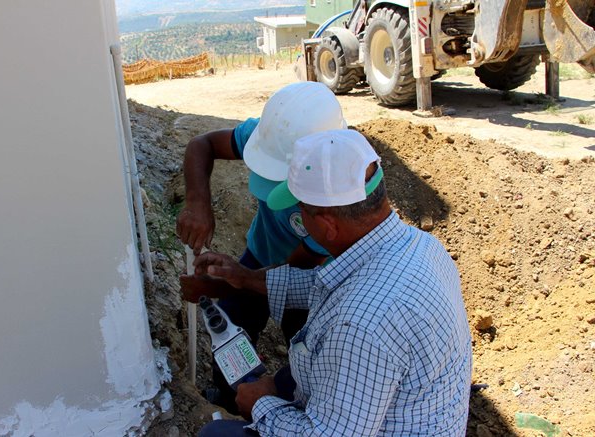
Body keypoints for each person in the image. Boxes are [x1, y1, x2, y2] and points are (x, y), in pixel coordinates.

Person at [189, 129, 472, 436]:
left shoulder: (361, 325)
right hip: (406, 412)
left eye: (301, 212)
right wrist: (245, 278)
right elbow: (324, 285)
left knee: (214, 435)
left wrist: (261, 405)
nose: (300, 219)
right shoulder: (421, 246)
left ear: (326, 226)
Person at [176, 82, 347, 411]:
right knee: (232, 330)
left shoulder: (333, 202)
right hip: (260, 255)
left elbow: (293, 273)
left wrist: (220, 285)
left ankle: (287, 410)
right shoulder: (273, 137)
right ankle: (230, 402)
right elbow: (202, 144)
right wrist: (198, 203)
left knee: (302, 353)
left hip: (310, 283)